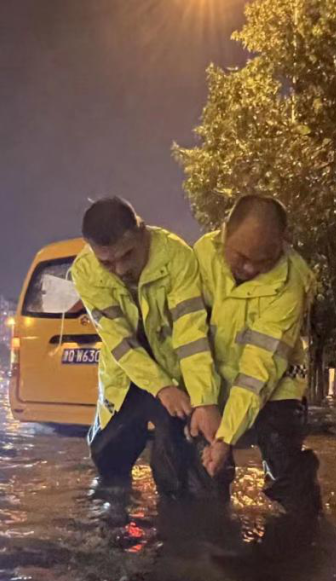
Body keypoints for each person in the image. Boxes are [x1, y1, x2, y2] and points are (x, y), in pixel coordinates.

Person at [70, 197, 223, 499]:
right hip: (127, 378)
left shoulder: (177, 257)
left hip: (176, 377)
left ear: (142, 232)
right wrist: (160, 387)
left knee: (179, 464)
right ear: (92, 252)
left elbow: (191, 334)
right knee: (106, 457)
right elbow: (118, 340)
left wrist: (204, 400)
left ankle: (179, 527)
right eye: (107, 262)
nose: (119, 269)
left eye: (127, 255)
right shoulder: (85, 271)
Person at [193, 195, 322, 515]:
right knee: (199, 468)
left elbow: (258, 371)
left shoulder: (292, 283)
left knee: (283, 458)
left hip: (276, 383)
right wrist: (203, 400)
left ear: (283, 245)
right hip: (213, 380)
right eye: (240, 256)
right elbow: (189, 335)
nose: (249, 268)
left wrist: (226, 438)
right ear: (223, 232)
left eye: (263, 259)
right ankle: (209, 525)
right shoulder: (201, 256)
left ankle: (306, 528)